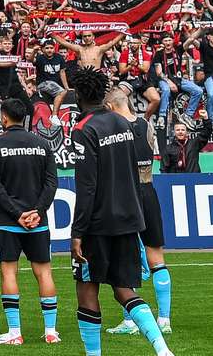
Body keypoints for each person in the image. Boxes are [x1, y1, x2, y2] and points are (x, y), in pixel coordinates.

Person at [66, 67, 174, 356]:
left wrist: (77, 233)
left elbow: (86, 186)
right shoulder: (123, 123)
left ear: (78, 96)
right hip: (128, 218)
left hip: (98, 223)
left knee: (87, 288)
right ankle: (162, 349)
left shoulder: (83, 130)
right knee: (124, 289)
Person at [0, 98, 61, 345]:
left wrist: (17, 214)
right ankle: (51, 332)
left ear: (4, 117)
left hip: (8, 220)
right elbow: (51, 183)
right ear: (25, 117)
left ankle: (15, 333)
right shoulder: (42, 144)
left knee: (9, 271)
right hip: (39, 221)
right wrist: (37, 211)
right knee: (44, 272)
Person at [105, 87, 173, 337]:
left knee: (126, 258)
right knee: (157, 258)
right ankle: (164, 319)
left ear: (111, 107)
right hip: (148, 191)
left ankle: (130, 320)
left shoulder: (114, 130)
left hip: (126, 196)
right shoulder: (146, 124)